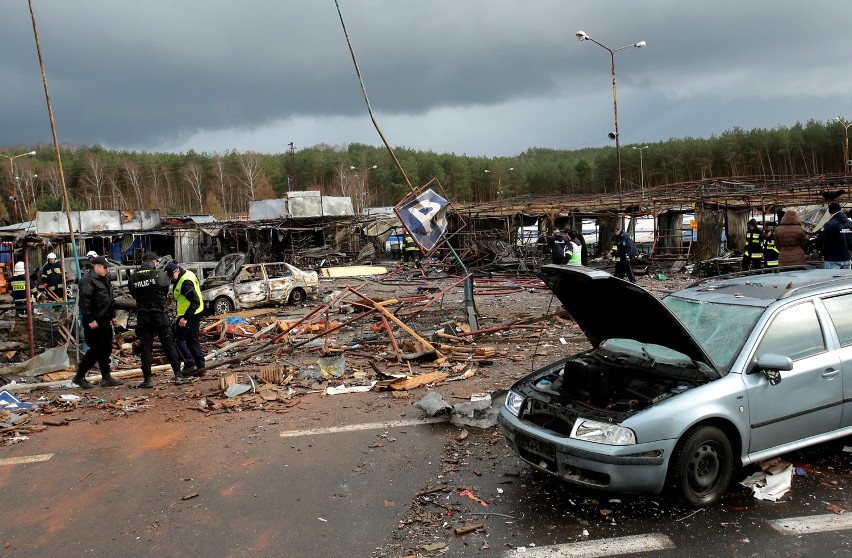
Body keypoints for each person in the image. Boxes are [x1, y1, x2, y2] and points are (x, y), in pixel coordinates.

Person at [129, 252, 186, 388]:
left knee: (146, 347)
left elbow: (134, 294)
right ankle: (178, 375)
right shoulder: (160, 275)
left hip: (143, 316)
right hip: (159, 315)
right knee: (168, 344)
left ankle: (147, 379)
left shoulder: (133, 278)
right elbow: (165, 291)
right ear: (153, 262)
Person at [73, 256, 122, 388]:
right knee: (95, 349)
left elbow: (108, 299)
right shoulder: (87, 280)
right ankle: (79, 376)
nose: (107, 270)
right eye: (105, 267)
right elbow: (85, 301)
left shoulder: (104, 279)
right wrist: (90, 319)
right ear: (97, 267)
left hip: (105, 319)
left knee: (106, 349)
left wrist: (112, 315)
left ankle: (106, 377)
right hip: (94, 321)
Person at [165, 261, 206, 377]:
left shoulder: (185, 283)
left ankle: (189, 364)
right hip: (194, 313)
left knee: (179, 341)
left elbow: (195, 301)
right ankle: (200, 367)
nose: (172, 279)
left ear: (176, 270)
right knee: (192, 340)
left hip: (190, 315)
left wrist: (185, 318)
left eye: (172, 276)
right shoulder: (185, 274)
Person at [814, 201, 852, 269]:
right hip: (847, 259)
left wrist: (821, 251)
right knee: (845, 279)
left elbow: (819, 240)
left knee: (832, 279)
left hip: (833, 259)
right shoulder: (850, 223)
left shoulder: (830, 224)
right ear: (840, 209)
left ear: (830, 212)